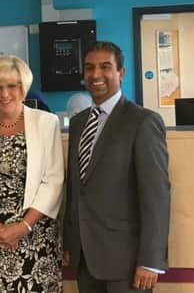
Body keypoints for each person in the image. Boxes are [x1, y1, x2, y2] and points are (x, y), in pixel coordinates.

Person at [63, 41, 171, 293]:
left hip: (128, 262)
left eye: (105, 67)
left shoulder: (142, 122)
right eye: (89, 68)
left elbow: (156, 196)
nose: (96, 75)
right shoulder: (78, 123)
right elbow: (76, 187)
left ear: (121, 73)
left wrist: (151, 261)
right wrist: (70, 241)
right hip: (85, 258)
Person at [0, 55, 64, 292]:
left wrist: (23, 226)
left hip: (35, 234)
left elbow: (54, 180)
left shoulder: (46, 122)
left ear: (23, 88)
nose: (4, 94)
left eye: (12, 86)